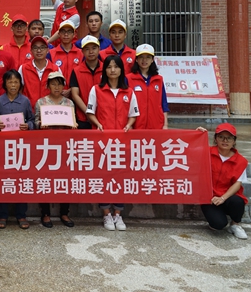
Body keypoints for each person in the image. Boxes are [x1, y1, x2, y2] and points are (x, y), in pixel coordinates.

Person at [86, 54, 140, 231]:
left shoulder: (128, 92)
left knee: (121, 177)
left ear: (121, 70)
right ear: (105, 70)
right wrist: (98, 124)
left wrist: (129, 125)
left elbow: (133, 114)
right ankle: (106, 214)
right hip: (102, 143)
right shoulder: (96, 89)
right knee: (104, 177)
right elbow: (90, 112)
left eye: (116, 66)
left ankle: (118, 213)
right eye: (109, 67)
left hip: (122, 143)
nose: (113, 70)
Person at [34, 70, 76, 228]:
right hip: (46, 147)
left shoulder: (69, 103)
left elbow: (74, 121)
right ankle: (45, 213)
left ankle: (64, 212)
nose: (57, 87)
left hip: (65, 147)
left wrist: (74, 126)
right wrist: (40, 125)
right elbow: (35, 122)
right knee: (45, 179)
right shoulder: (41, 102)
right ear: (48, 86)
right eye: (53, 84)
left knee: (65, 179)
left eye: (59, 84)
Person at [0, 70, 34, 230]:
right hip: (2, 147)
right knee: (3, 180)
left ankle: (21, 214)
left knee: (21, 180)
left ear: (20, 84)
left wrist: (28, 126)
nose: (13, 85)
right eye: (10, 82)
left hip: (20, 146)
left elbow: (32, 120)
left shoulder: (25, 101)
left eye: (16, 82)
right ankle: (2, 215)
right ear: (5, 84)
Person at [196, 123, 249, 240]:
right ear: (215, 139)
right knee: (218, 225)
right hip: (209, 198)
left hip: (227, 197)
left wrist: (222, 198)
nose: (225, 141)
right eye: (221, 137)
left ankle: (235, 224)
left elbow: (238, 183)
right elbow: (188, 151)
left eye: (229, 138)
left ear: (234, 141)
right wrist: (196, 135)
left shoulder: (241, 161)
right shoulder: (206, 153)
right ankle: (217, 217)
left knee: (237, 201)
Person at [127, 44, 169, 130]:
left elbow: (163, 103)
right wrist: (128, 124)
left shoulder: (158, 79)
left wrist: (165, 124)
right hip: (136, 125)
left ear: (152, 60)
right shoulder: (128, 78)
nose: (144, 60)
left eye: (148, 57)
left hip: (156, 124)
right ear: (136, 59)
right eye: (141, 57)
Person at [18, 36, 61, 113]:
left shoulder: (55, 69)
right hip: (29, 113)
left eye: (42, 47)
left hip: (50, 112)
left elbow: (60, 91)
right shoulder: (23, 68)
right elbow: (19, 91)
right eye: (35, 48)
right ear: (31, 50)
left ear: (47, 50)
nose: (39, 50)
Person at [70, 35, 103, 129]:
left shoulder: (106, 69)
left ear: (99, 49)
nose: (91, 52)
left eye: (94, 48)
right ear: (82, 51)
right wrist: (88, 113)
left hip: (103, 116)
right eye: (87, 49)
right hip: (83, 118)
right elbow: (75, 95)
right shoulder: (76, 71)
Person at [47, 20, 83, 99]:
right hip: (56, 96)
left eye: (69, 32)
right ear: (59, 34)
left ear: (74, 34)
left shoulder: (81, 54)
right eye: (63, 31)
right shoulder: (51, 53)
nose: (66, 34)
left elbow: (83, 76)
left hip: (77, 96)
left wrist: (71, 90)